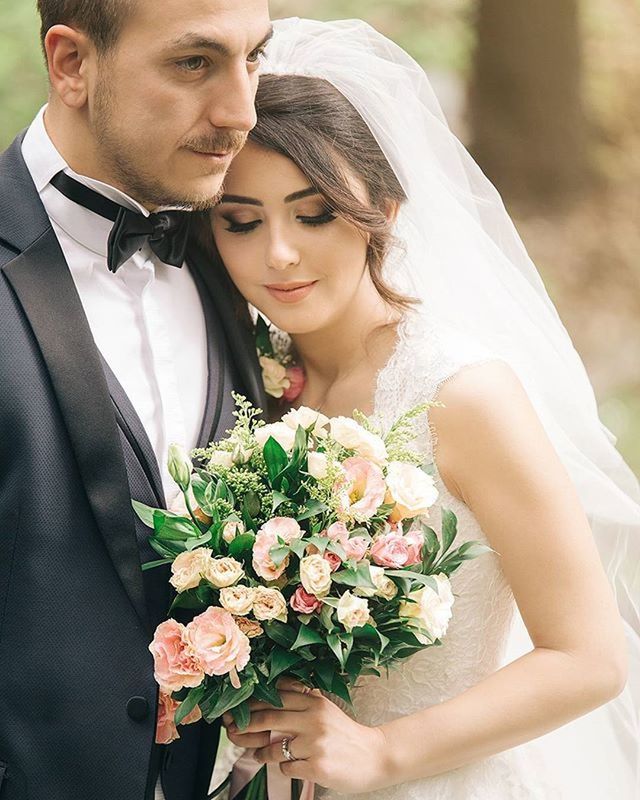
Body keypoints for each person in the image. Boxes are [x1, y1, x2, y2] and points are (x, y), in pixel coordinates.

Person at [210, 18, 640, 799]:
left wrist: (383, 754)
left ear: (386, 207)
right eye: (241, 222)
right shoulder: (254, 388)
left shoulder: (462, 393)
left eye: (314, 214)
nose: (278, 253)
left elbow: (591, 657)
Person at [0, 1, 270, 798]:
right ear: (72, 64)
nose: (241, 112)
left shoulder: (249, 249)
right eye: (194, 64)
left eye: (254, 57)